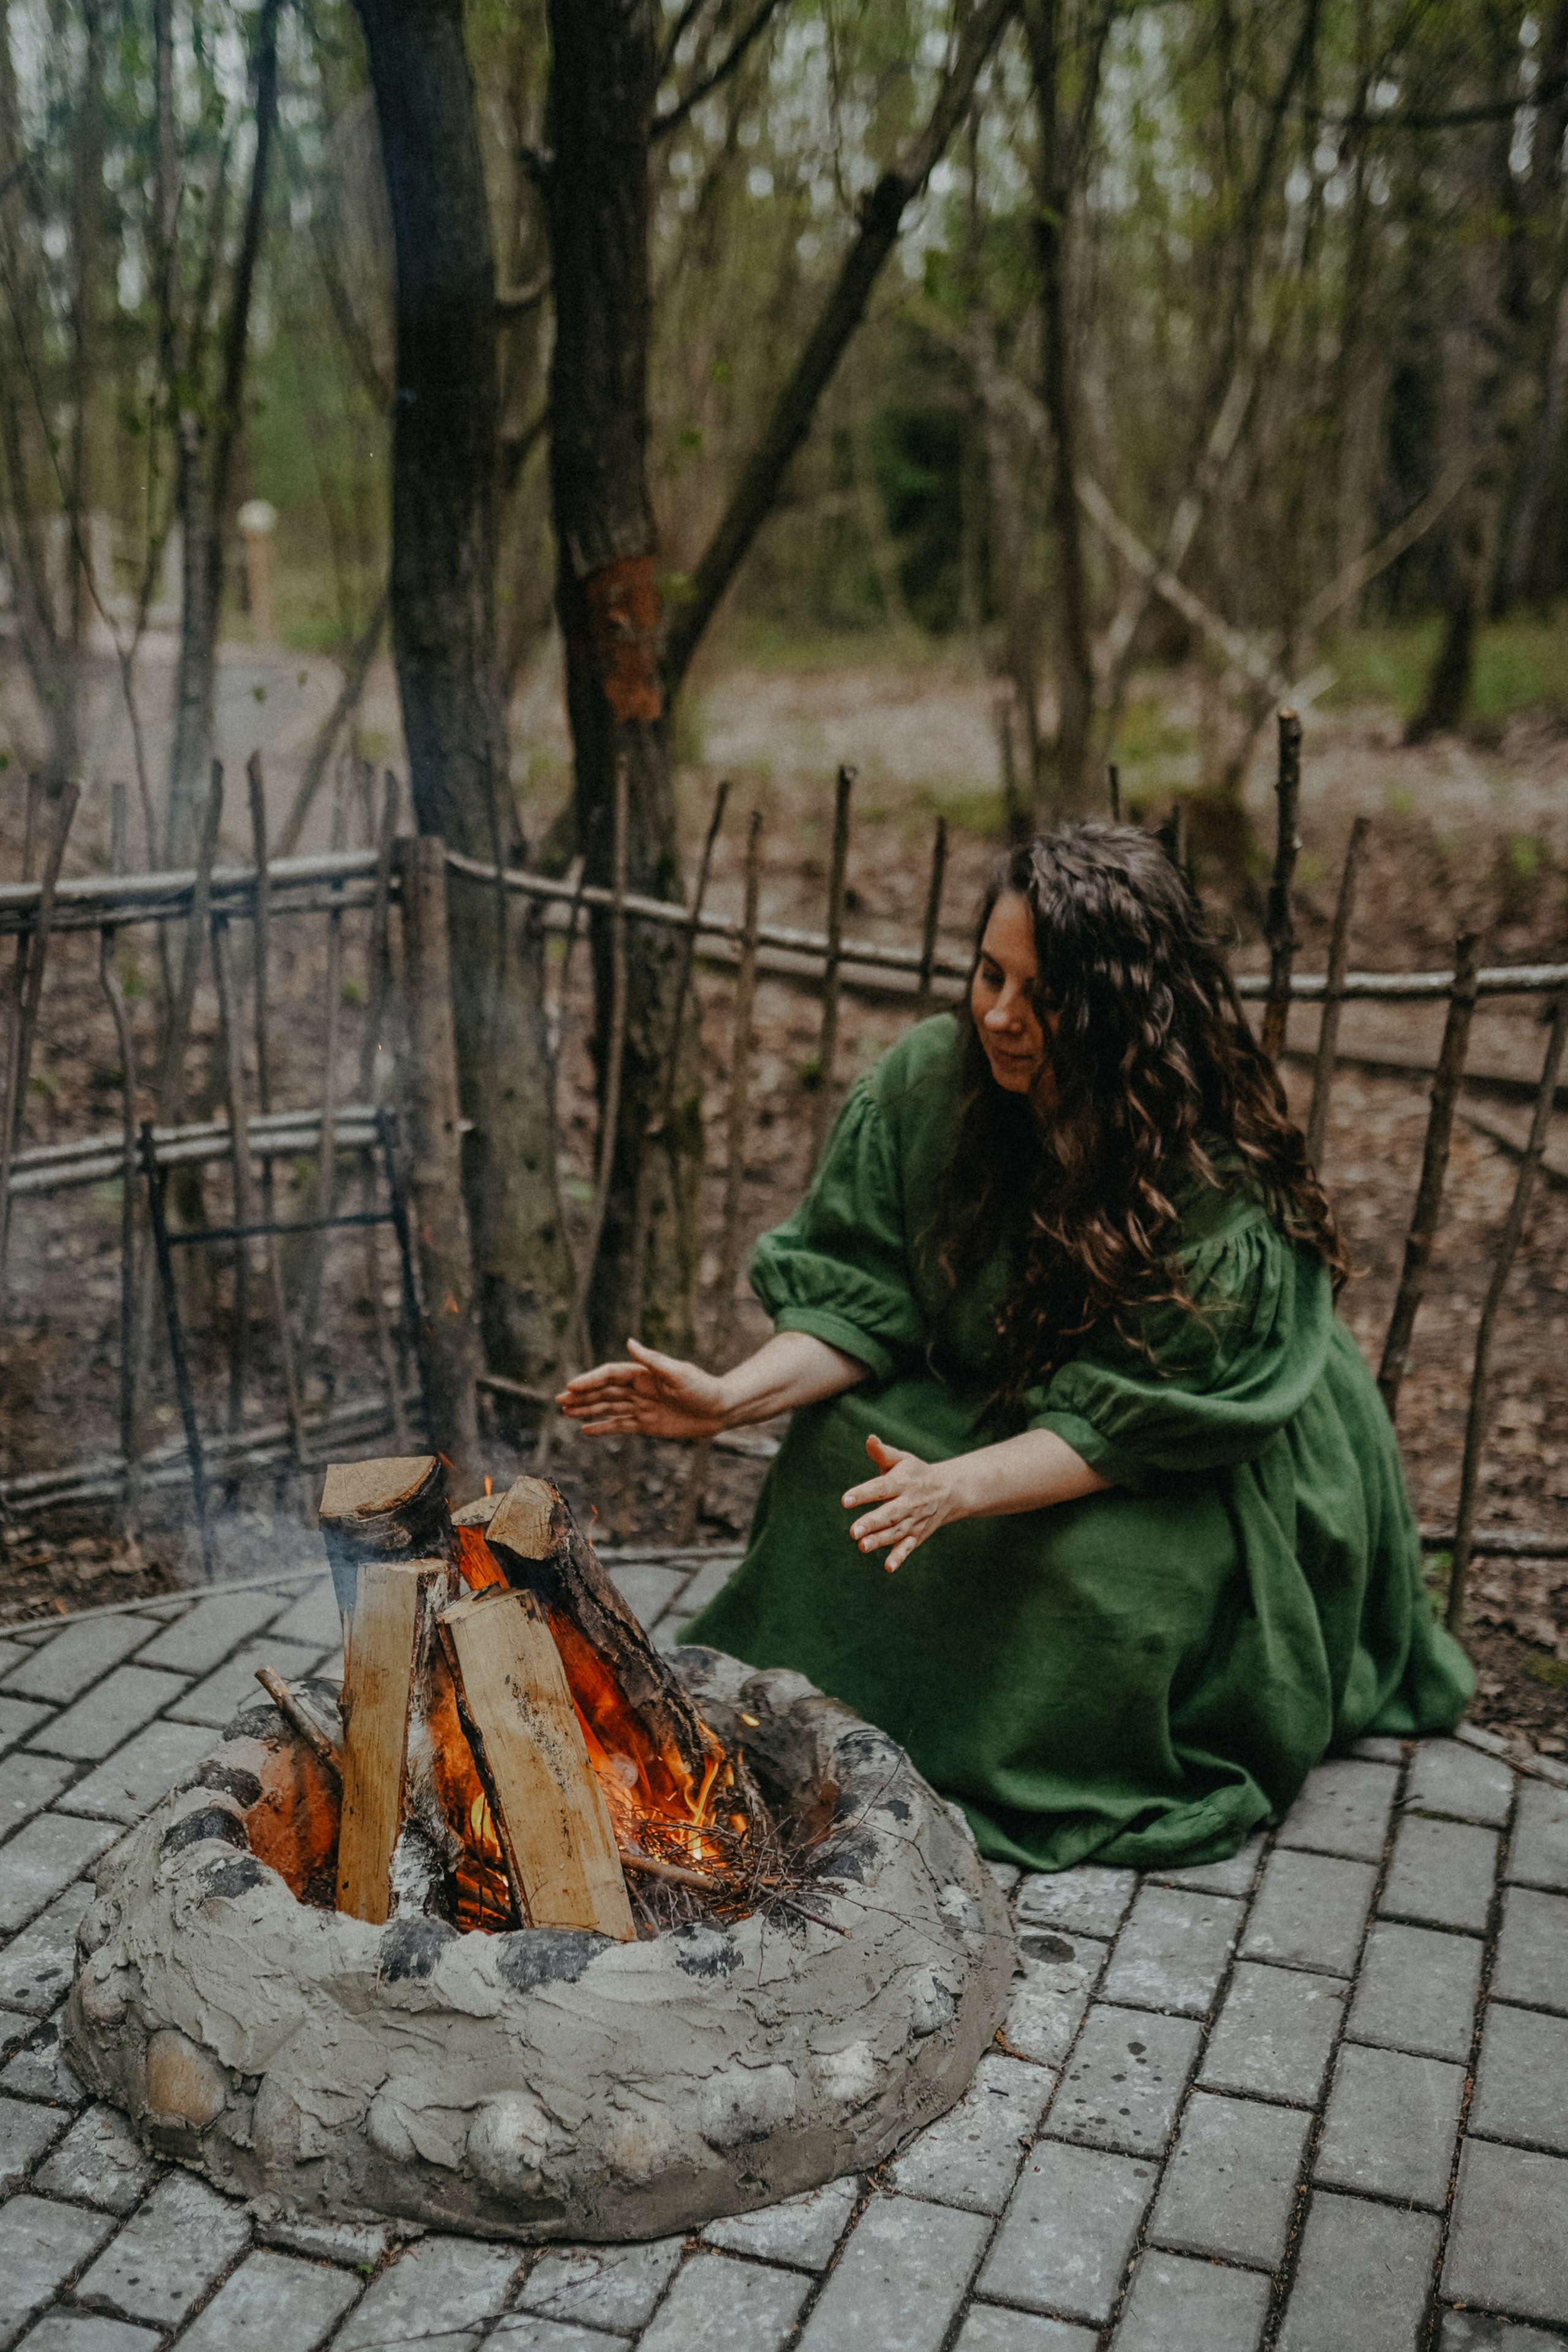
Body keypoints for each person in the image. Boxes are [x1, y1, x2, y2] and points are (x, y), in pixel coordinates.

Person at [559, 826, 1472, 1872]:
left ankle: (1021, 1744)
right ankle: (865, 1728)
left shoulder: (1212, 1178)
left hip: (1192, 1438)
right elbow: (866, 1300)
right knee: (832, 1465)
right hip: (1010, 1390)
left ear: (1122, 1010)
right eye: (990, 974)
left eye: (1042, 996)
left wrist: (955, 1488)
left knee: (1091, 1574)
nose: (999, 1012)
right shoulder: (928, 1086)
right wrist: (731, 1397)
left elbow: (1126, 1419)